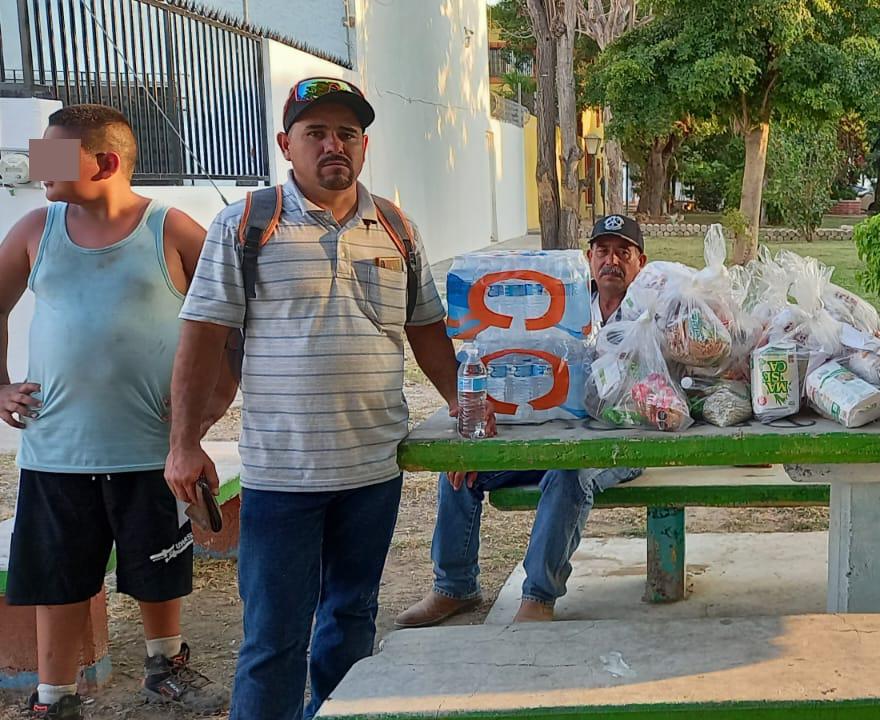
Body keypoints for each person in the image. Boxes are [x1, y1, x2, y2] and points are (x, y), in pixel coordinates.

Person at [163, 77, 460, 720]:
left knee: (352, 618)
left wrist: (462, 411)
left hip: (372, 472)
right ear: (285, 145)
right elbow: (203, 337)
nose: (334, 145)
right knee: (274, 638)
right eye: (316, 133)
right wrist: (184, 444)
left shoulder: (397, 226)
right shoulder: (245, 224)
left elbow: (428, 332)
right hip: (281, 478)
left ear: (364, 145)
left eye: (347, 133)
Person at [0, 105, 234, 719]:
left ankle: (165, 665)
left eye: (52, 155)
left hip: (151, 450)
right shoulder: (34, 231)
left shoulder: (173, 230)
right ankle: (55, 695)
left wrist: (209, 409)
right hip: (57, 450)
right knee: (58, 576)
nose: (37, 167)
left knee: (159, 565)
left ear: (104, 162)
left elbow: (229, 324)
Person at [394, 214, 648, 628]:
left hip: (619, 441)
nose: (612, 261)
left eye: (624, 252)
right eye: (603, 251)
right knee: (462, 467)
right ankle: (453, 586)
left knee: (571, 472)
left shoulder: (649, 316)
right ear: (588, 258)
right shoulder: (560, 310)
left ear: (641, 262)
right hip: (550, 433)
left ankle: (539, 597)